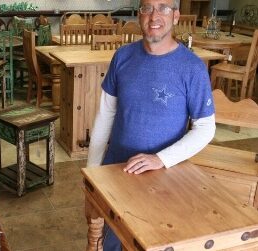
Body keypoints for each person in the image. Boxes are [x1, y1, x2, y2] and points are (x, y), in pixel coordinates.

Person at [86, 0, 216, 250]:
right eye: (147, 8)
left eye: (164, 7)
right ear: (139, 14)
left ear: (176, 16)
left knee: (150, 242)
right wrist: (93, 173)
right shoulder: (123, 56)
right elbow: (105, 115)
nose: (154, 15)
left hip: (162, 181)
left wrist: (161, 159)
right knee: (112, 241)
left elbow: (205, 128)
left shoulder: (192, 68)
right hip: (116, 172)